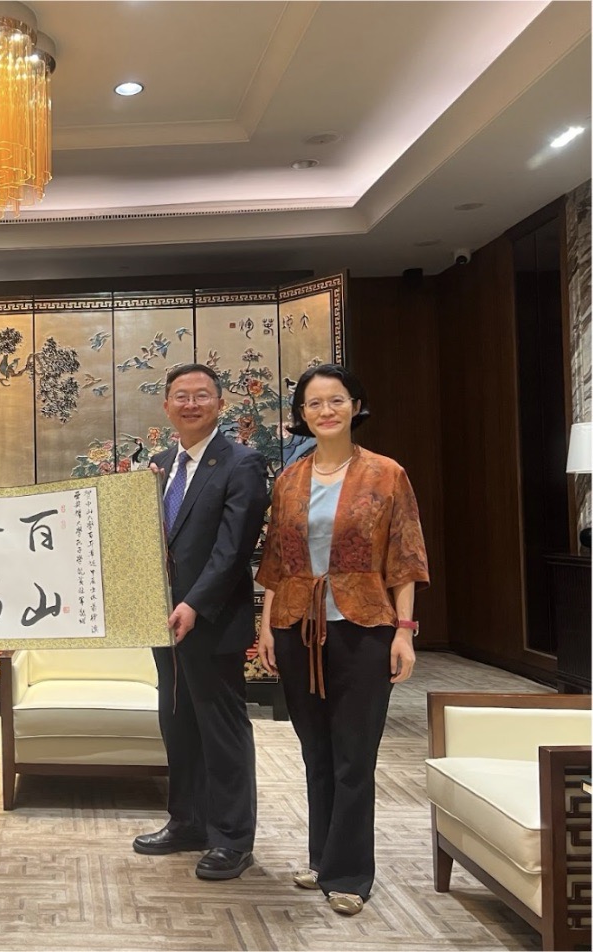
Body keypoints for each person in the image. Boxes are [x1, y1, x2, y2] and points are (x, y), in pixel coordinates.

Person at [256, 363, 428, 917]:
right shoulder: (289, 478)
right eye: (313, 404)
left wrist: (404, 631)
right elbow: (276, 562)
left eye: (336, 400)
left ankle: (350, 871)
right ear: (301, 415)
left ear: (355, 405)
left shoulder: (386, 473)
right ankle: (322, 857)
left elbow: (405, 557)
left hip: (364, 624)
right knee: (316, 751)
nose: (325, 411)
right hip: (296, 627)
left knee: (355, 754)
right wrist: (265, 625)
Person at [133, 363, 268, 881]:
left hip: (209, 620)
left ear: (219, 404)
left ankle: (232, 838)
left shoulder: (242, 463)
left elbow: (234, 550)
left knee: (221, 729)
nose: (191, 404)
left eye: (202, 395)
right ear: (166, 406)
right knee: (178, 724)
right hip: (162, 621)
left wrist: (194, 603)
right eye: (180, 396)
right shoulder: (162, 465)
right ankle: (187, 821)